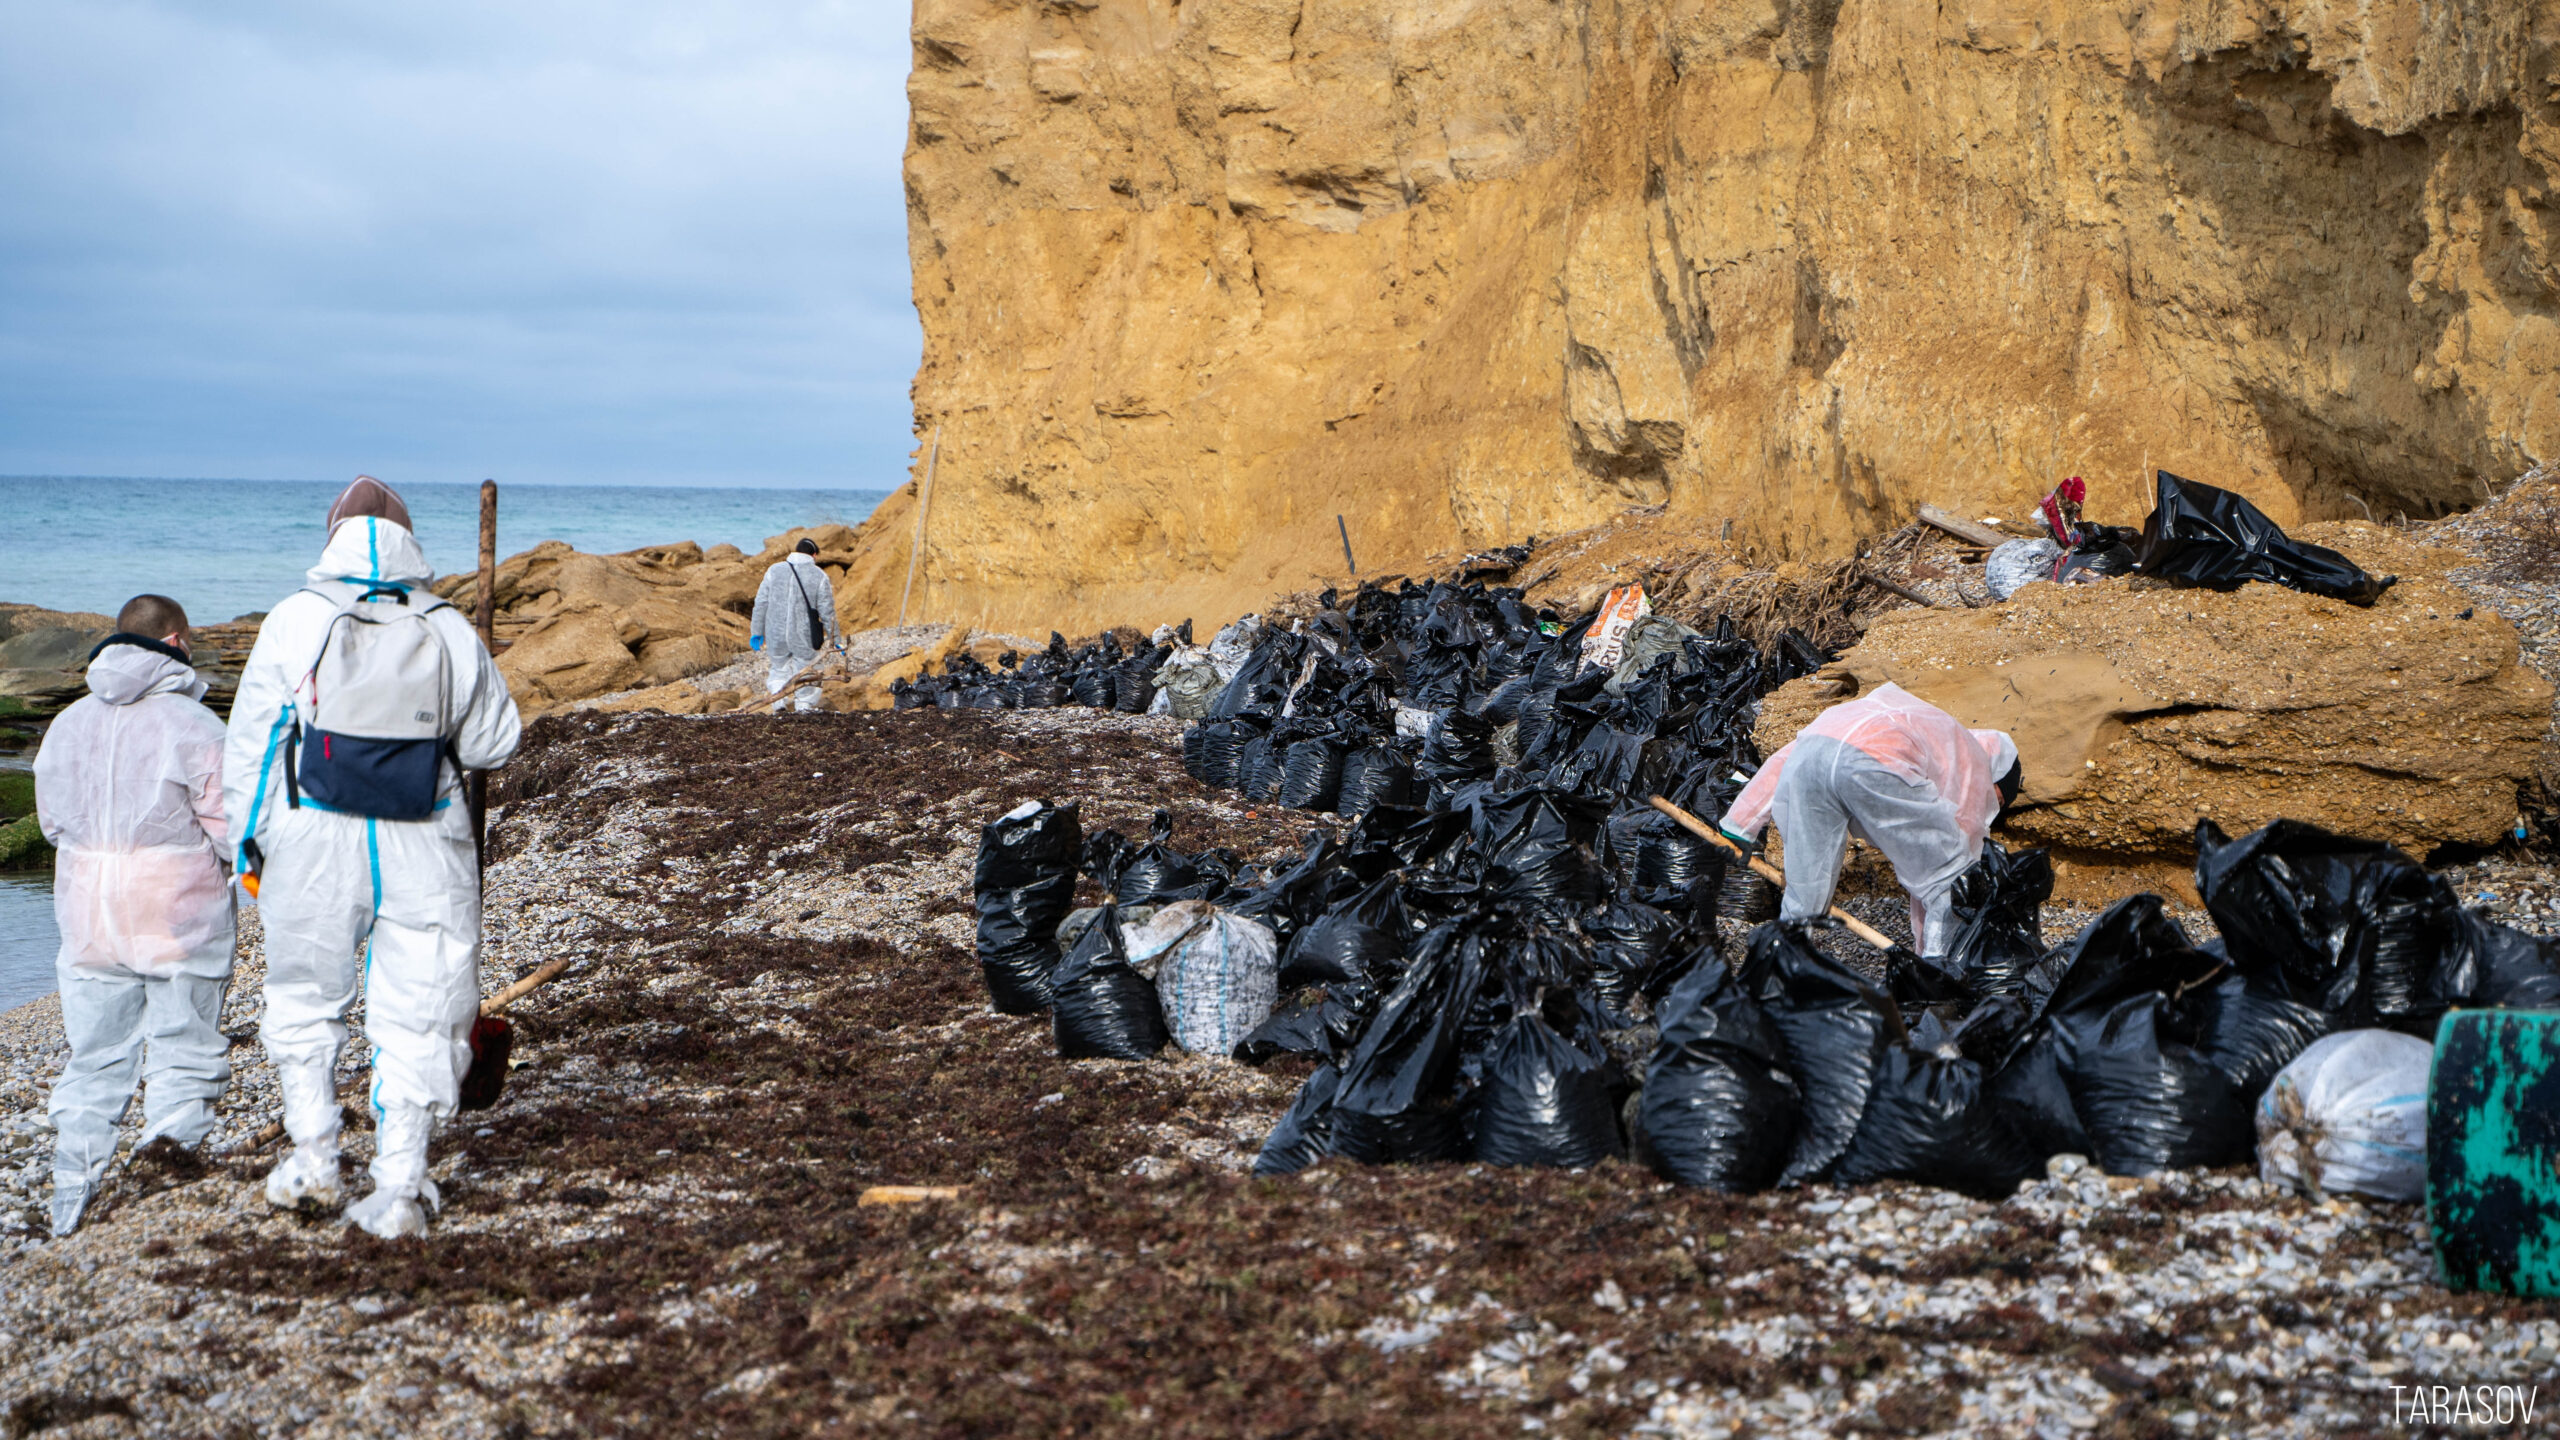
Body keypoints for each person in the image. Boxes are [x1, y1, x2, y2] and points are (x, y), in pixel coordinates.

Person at [223, 476, 522, 1238]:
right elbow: (495, 742)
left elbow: (254, 747)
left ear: (328, 537)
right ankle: (399, 1184)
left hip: (314, 834)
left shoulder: (295, 617)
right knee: (422, 1006)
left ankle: (315, 1160)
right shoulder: (448, 624)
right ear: (411, 541)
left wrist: (248, 846)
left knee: (303, 998)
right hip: (427, 834)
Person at [34, 596, 234, 1236]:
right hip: (178, 910)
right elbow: (232, 826)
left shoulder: (67, 722)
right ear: (176, 640)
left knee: (94, 1055)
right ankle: (163, 1189)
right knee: (183, 1049)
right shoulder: (193, 724)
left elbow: (51, 823)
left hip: (88, 907)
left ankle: (72, 1198)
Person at [1717, 682, 2020, 958]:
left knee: (1804, 891)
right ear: (1996, 775)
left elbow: (1790, 757)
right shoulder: (1971, 760)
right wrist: (1924, 950)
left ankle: (1780, 972)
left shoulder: (1916, 721)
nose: (1993, 804)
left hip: (1813, 756)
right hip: (1877, 762)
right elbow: (1947, 867)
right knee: (1950, 878)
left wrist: (1740, 825)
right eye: (1998, 798)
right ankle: (1938, 973)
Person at [749, 537, 839, 711]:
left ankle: (778, 703)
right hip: (803, 635)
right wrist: (836, 639)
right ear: (813, 555)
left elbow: (761, 602)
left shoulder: (774, 570)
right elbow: (827, 612)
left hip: (776, 632)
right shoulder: (819, 575)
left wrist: (756, 631)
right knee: (809, 667)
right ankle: (804, 706)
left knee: (779, 668)